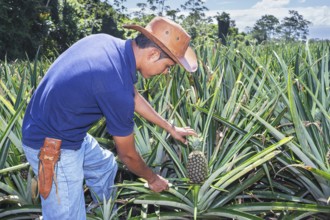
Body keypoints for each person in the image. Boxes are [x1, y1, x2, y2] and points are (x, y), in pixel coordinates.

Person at [21, 16, 198, 219]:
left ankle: (101, 213)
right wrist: (152, 178)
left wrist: (170, 128)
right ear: (153, 54)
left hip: (62, 129)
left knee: (105, 165)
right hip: (52, 146)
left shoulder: (108, 44)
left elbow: (133, 96)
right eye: (168, 66)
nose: (166, 72)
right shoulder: (115, 87)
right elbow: (128, 156)